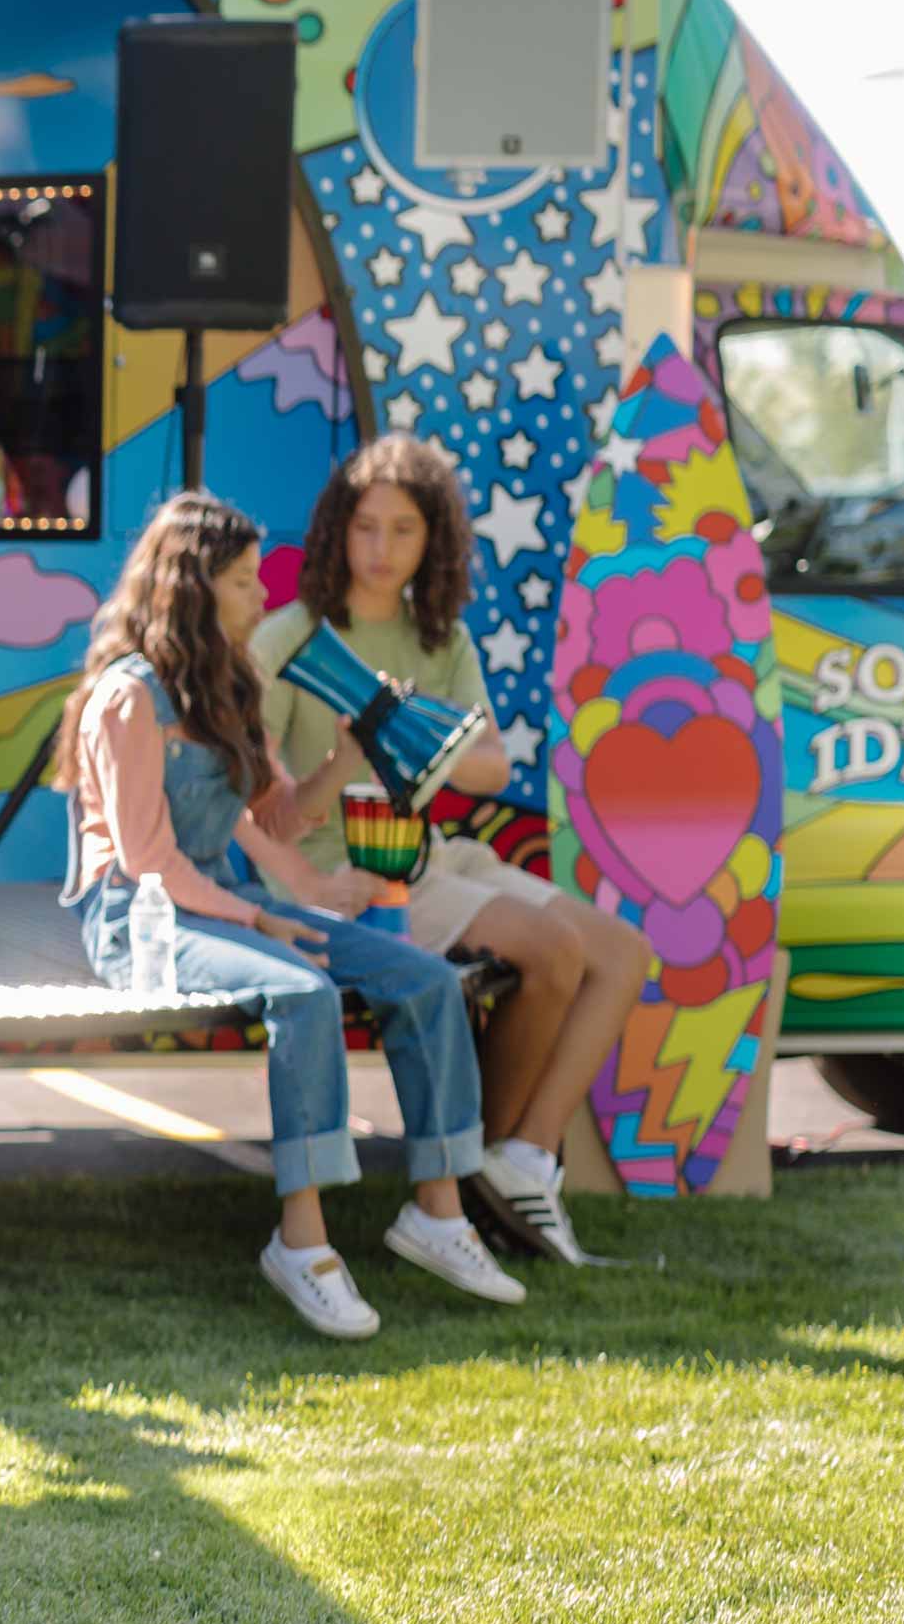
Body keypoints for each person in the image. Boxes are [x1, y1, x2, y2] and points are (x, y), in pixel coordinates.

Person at [57, 491, 525, 1339]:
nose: (262, 597)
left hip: (224, 905)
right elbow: (144, 860)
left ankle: (439, 1211)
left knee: (424, 979)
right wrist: (260, 917)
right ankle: (303, 1245)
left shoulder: (231, 683)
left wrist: (346, 756)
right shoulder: (126, 699)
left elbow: (273, 818)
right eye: (243, 582)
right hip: (141, 918)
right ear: (194, 589)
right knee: (304, 991)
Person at [253, 438, 654, 1263]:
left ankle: (522, 1159)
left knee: (624, 955)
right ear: (337, 532)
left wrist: (406, 735)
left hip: (435, 851)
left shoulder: (440, 635)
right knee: (552, 949)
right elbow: (257, 801)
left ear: (433, 542)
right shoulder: (290, 636)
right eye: (365, 528)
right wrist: (302, 872)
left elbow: (492, 766)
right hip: (355, 872)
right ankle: (474, 1173)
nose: (381, 550)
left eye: (404, 531)